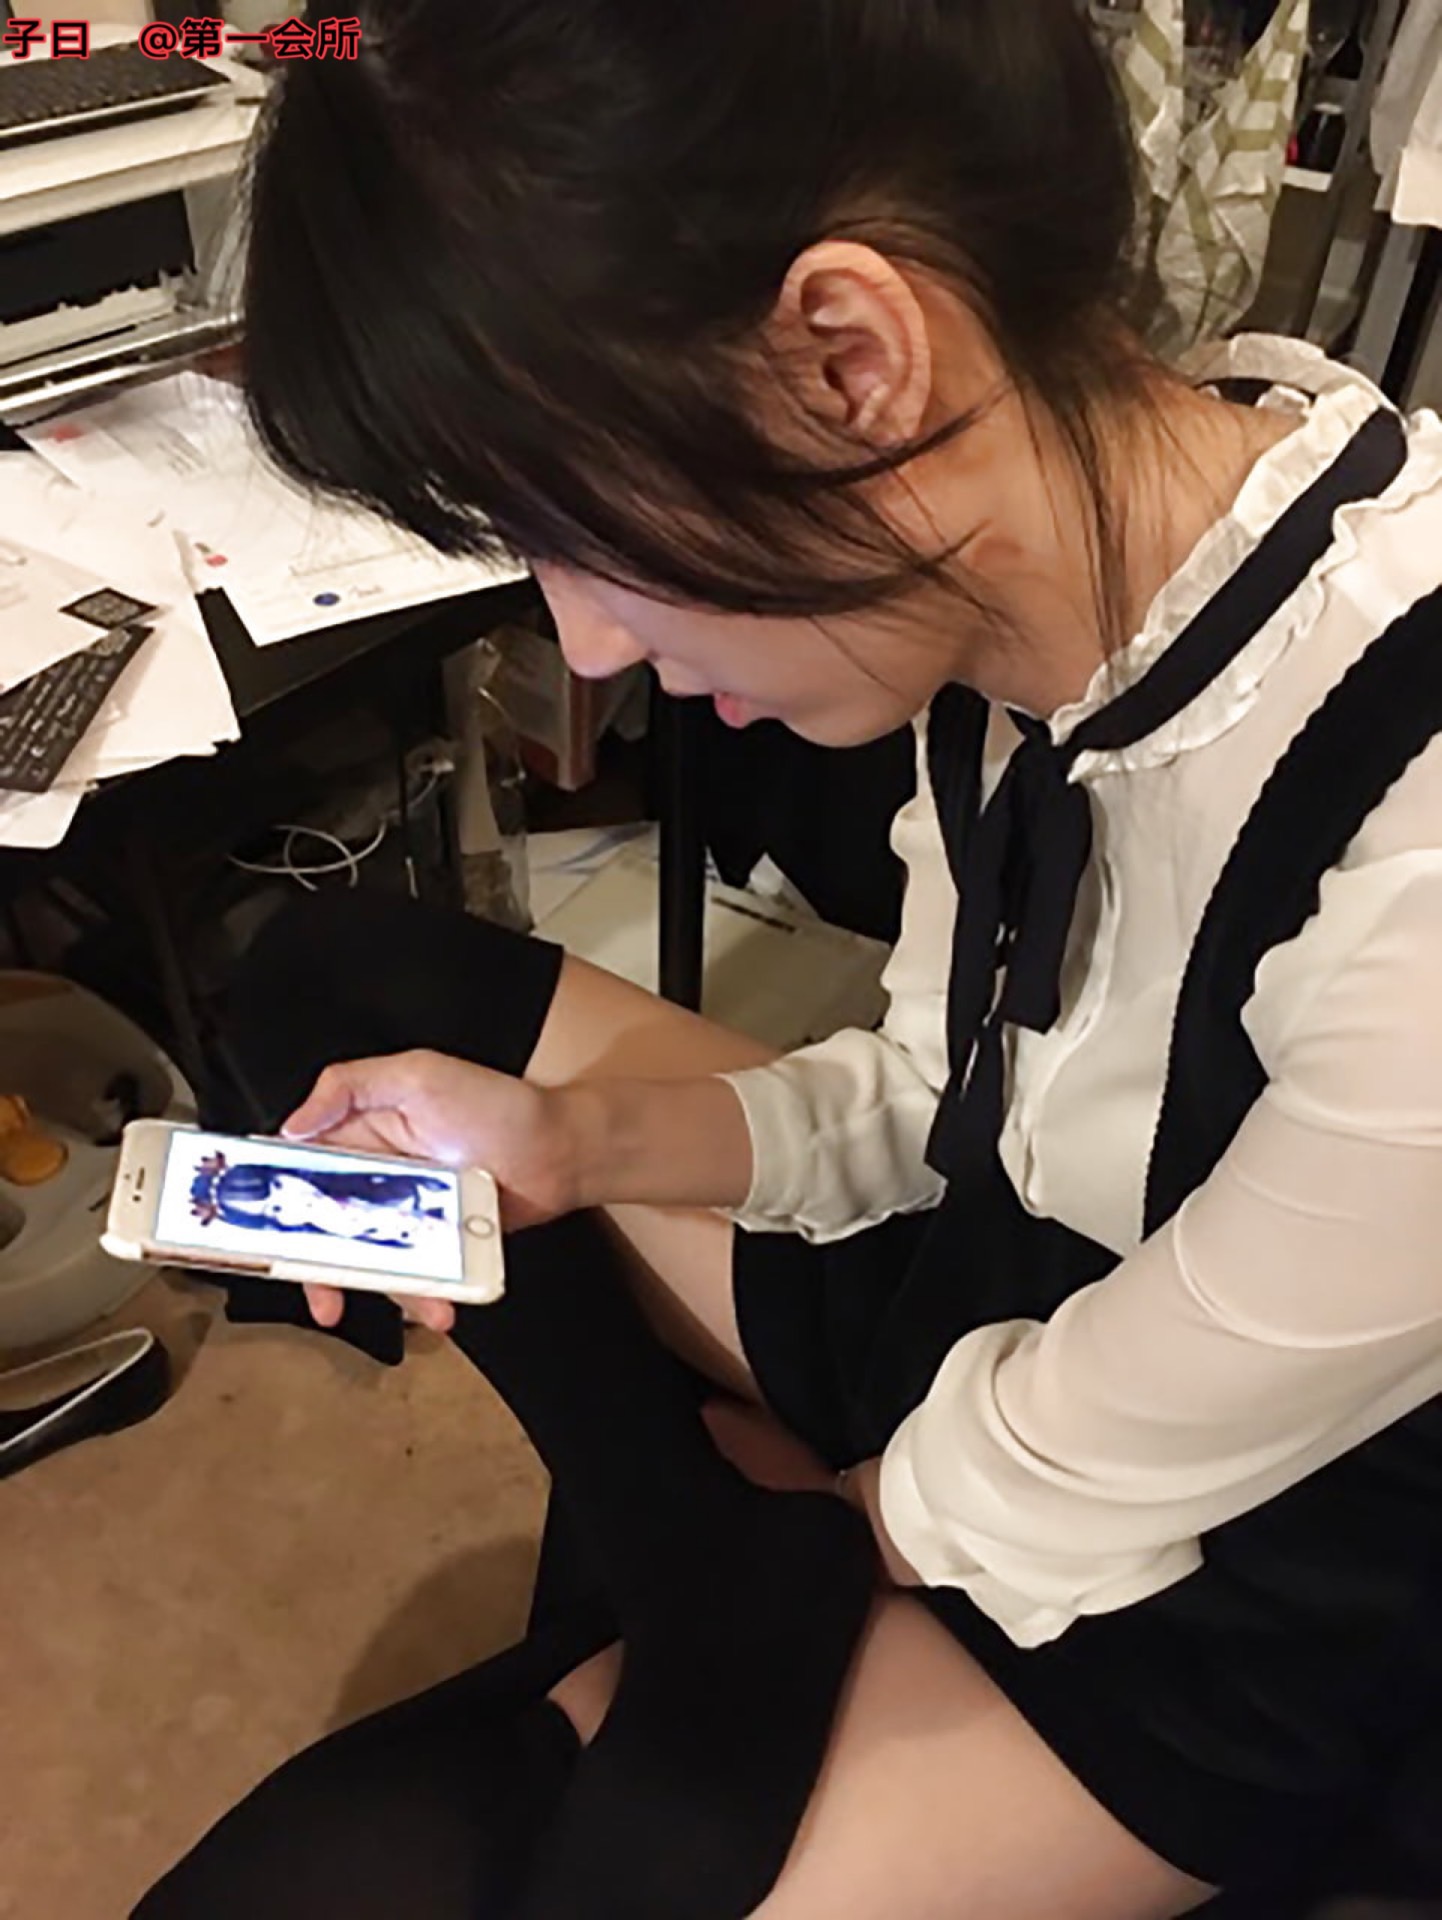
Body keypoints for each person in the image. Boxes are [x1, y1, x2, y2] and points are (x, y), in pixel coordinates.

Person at [136, 1, 1442, 1916]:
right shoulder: (1014, 583)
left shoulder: (1408, 799)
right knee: (341, 991)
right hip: (980, 1286)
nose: (581, 643)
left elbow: (1087, 1446)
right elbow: (926, 1097)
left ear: (849, 356)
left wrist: (815, 1547)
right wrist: (571, 1149)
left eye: (571, 528)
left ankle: (699, 1564)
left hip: (1210, 1573)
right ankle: (697, 1555)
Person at [188, 1155, 452, 1250]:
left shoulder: (368, 1177)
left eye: (279, 1186)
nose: (294, 1201)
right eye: (275, 1208)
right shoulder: (346, 1228)